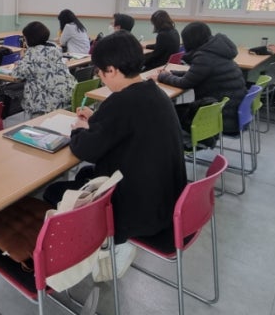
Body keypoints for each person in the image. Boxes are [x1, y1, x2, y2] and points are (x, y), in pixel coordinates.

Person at [43, 31, 187, 262]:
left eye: (100, 72)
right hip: (166, 201)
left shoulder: (121, 102)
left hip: (137, 212)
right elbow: (121, 126)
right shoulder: (154, 92)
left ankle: (73, 256)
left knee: (51, 191)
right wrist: (95, 119)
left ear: (112, 70)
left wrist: (79, 128)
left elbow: (85, 150)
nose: (100, 78)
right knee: (85, 174)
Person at [149, 21, 247, 134]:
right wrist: (171, 73)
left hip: (220, 117)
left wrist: (162, 76)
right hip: (231, 111)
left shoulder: (205, 56)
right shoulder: (216, 51)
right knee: (171, 108)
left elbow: (185, 83)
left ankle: (167, 144)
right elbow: (196, 75)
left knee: (165, 111)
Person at [10, 21, 76, 116]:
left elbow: (17, 74)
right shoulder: (55, 49)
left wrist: (20, 60)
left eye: (24, 38)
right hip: (66, 97)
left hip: (45, 104)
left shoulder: (32, 53)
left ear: (30, 38)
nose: (24, 41)